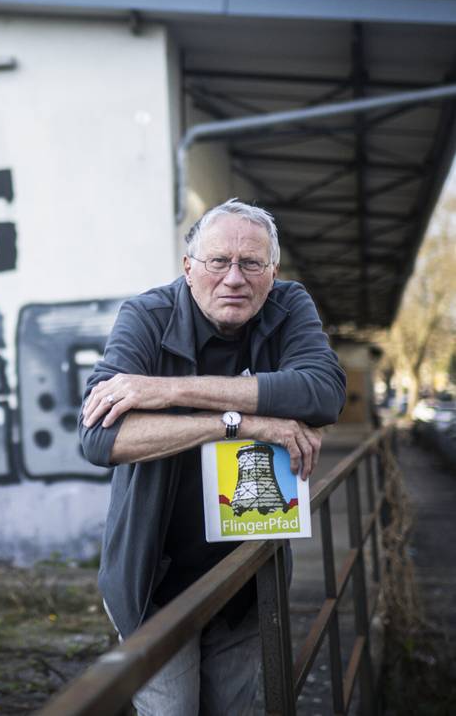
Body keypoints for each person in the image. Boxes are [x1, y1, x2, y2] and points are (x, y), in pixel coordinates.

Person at [79, 199, 345, 716]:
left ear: (273, 272)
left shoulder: (289, 305)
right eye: (218, 262)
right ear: (188, 268)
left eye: (252, 264)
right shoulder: (147, 316)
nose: (234, 279)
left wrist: (168, 390)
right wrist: (238, 422)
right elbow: (98, 440)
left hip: (245, 579)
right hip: (153, 582)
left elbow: (323, 392)